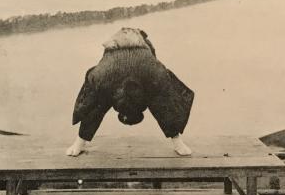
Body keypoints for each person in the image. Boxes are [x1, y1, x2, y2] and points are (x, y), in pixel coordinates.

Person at [67, 28, 194, 156]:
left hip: (127, 53)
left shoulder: (104, 79)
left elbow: (91, 108)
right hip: (128, 54)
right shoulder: (153, 77)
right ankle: (178, 144)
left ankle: (79, 144)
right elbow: (164, 108)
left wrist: (78, 142)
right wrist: (178, 142)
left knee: (98, 102)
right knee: (160, 100)